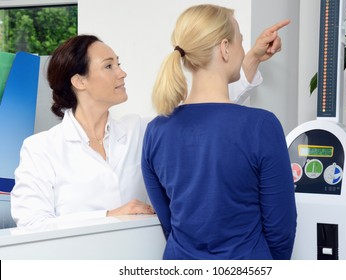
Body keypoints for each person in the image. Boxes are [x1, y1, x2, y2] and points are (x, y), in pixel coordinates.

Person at [10, 16, 287, 228]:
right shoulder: (41, 149)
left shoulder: (140, 131)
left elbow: (203, 112)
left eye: (119, 62)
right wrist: (108, 216)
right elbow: (31, 225)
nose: (122, 72)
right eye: (109, 66)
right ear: (79, 81)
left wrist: (251, 59)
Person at [141, 4, 296, 260]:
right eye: (240, 42)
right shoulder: (261, 126)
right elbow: (281, 228)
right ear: (225, 48)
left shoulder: (156, 131)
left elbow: (169, 222)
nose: (243, 50)